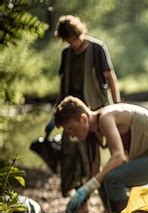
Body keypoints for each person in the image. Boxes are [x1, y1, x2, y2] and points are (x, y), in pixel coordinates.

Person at [48, 15, 121, 198]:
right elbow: (63, 84)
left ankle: (90, 196)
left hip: (92, 109)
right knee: (68, 151)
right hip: (70, 110)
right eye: (67, 41)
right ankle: (69, 193)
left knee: (92, 155)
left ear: (78, 32)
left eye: (73, 39)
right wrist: (55, 113)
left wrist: (117, 105)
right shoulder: (66, 54)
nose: (72, 44)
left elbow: (110, 77)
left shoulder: (97, 48)